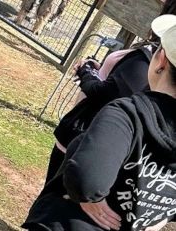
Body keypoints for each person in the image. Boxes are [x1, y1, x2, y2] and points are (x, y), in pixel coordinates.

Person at [23, 14, 176, 231]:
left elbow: (87, 179)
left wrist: (89, 195)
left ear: (161, 60)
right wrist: (161, 216)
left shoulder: (126, 114)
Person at [43, 43, 154, 184]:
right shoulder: (148, 53)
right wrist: (100, 70)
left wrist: (86, 72)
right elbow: (119, 85)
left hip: (89, 131)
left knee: (56, 194)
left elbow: (104, 94)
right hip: (83, 128)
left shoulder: (146, 58)